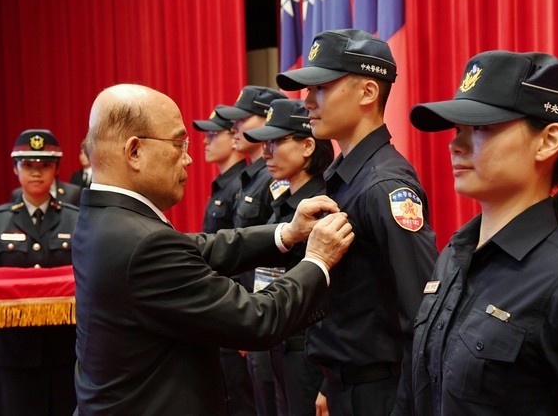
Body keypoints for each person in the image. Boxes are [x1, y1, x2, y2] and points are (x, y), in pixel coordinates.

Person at [72, 83, 354, 416]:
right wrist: (317, 261)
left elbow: (197, 247)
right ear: (134, 151)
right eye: (179, 143)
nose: (189, 158)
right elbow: (256, 319)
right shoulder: (144, 242)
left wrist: (286, 233)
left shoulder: (102, 217)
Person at [408, 50, 558, 415]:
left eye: (481, 128)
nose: (455, 145)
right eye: (457, 129)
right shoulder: (453, 255)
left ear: (548, 140)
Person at [276, 28, 439, 415]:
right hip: (346, 384)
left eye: (321, 88)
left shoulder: (385, 185)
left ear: (368, 93)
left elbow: (420, 311)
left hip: (382, 392)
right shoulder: (346, 175)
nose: (307, 101)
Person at [244, 98, 334, 415]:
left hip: (310, 352)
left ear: (308, 146)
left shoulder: (324, 205)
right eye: (264, 143)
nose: (266, 152)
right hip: (279, 343)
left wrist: (329, 379)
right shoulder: (284, 202)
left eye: (276, 141)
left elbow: (339, 294)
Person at [216, 85, 288, 416]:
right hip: (249, 305)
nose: (235, 128)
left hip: (266, 311)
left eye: (243, 119)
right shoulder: (252, 176)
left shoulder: (274, 181)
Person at [0, 128, 79, 415]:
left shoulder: (76, 219)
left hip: (65, 350)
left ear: (56, 169)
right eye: (28, 165)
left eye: (44, 165)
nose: (36, 173)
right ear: (15, 168)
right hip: (13, 354)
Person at [193, 108, 254, 415]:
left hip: (233, 304)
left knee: (241, 397)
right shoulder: (225, 184)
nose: (205, 142)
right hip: (221, 303)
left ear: (233, 139)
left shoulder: (239, 186)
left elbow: (240, 254)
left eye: (213, 135)